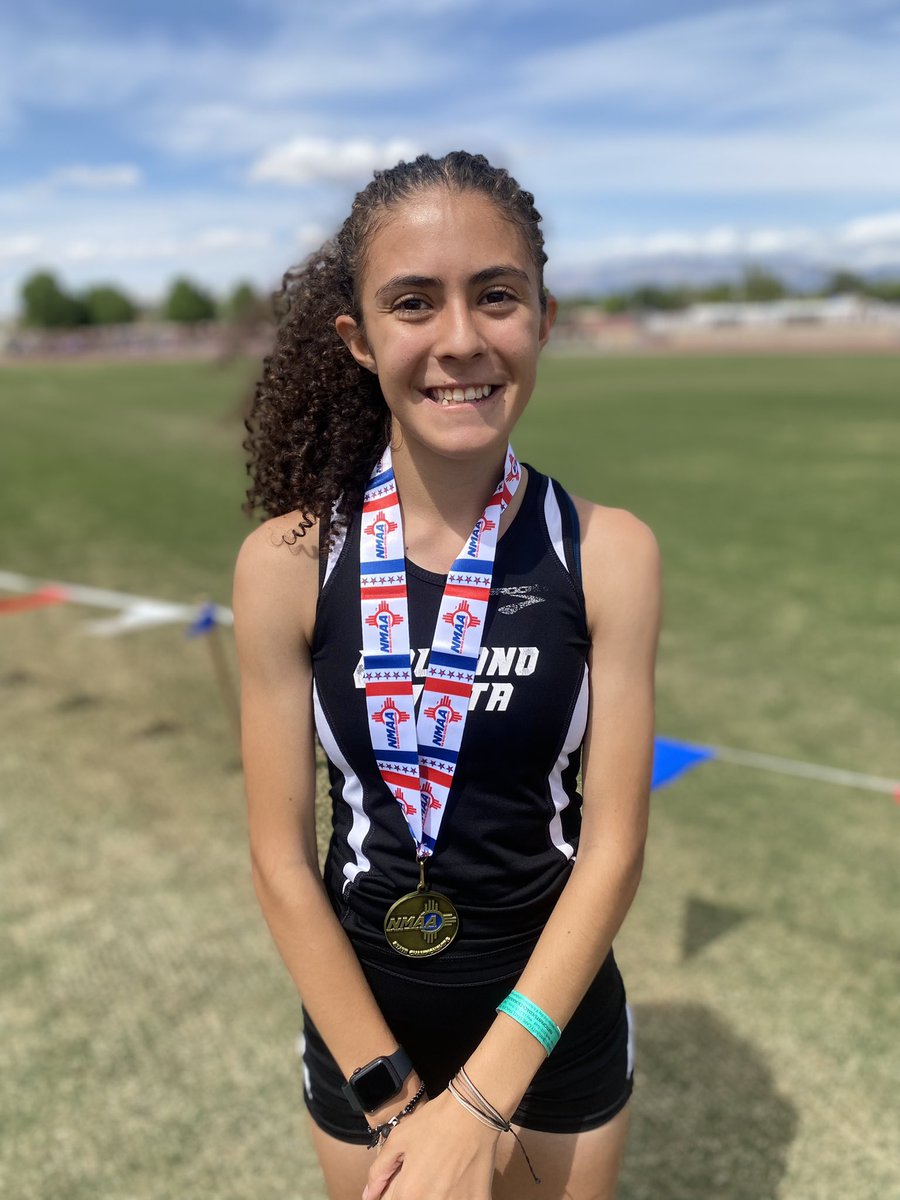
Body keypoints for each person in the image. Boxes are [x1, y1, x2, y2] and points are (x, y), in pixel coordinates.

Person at [234, 150, 661, 1200]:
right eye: (414, 302)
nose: (461, 339)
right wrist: (393, 1097)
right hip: (365, 1027)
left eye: (496, 296)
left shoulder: (611, 553)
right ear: (359, 338)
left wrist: (479, 1104)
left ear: (543, 319)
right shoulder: (284, 566)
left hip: (548, 1023)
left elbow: (611, 850)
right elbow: (280, 861)